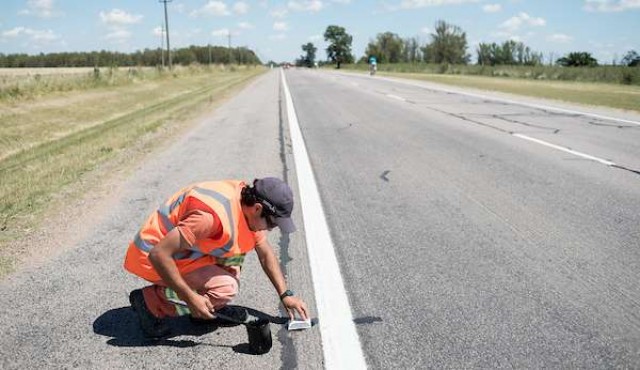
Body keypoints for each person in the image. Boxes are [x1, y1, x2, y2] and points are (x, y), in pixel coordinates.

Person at [124, 177, 309, 338]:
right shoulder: (210, 218)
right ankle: (150, 301)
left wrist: (285, 295)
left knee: (236, 254)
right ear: (258, 208)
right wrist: (190, 298)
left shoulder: (244, 203)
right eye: (271, 224)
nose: (270, 229)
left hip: (183, 249)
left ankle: (208, 309)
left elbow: (265, 252)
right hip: (152, 256)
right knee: (226, 288)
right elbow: (159, 254)